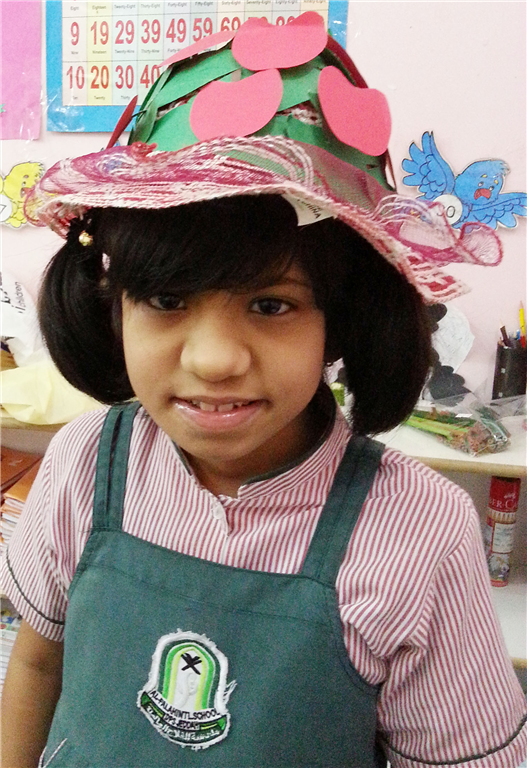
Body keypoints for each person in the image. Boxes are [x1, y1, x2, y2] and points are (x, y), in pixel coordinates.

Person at [1, 14, 526, 768]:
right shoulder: (85, 463)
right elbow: (37, 663)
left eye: (271, 305)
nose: (215, 360)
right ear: (113, 308)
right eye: (167, 300)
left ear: (340, 322)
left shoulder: (418, 531)